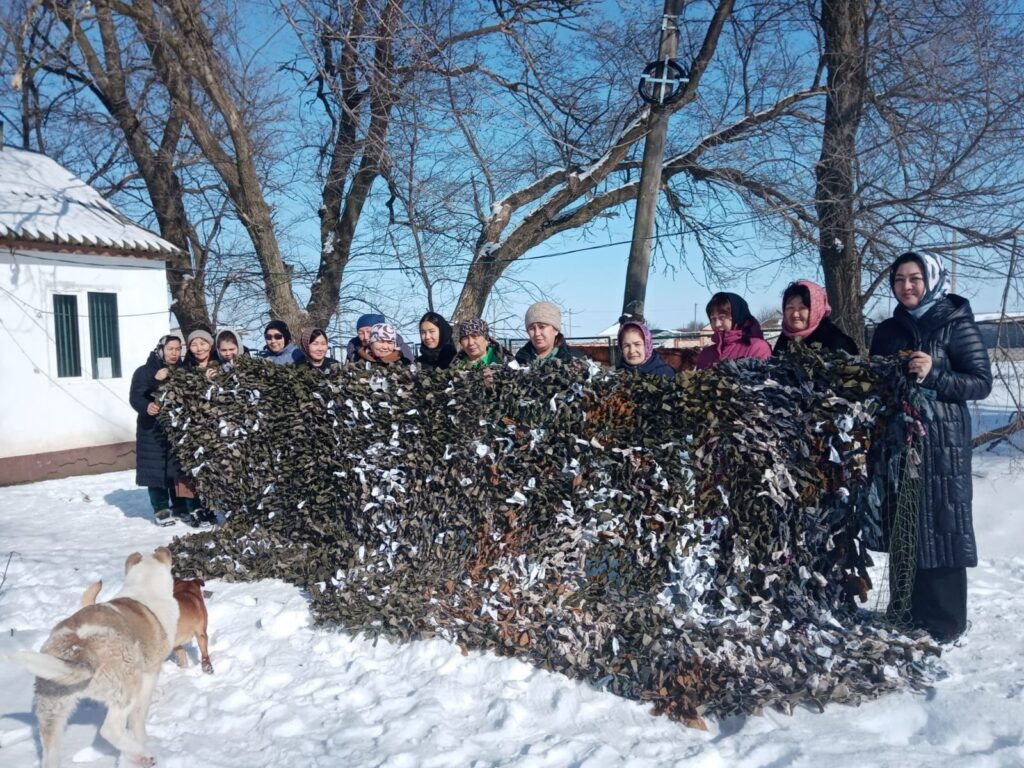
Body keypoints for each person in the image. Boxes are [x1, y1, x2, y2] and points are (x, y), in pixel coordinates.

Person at [869, 251, 992, 642]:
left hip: (942, 441)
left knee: (942, 519)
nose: (906, 286)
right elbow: (874, 380)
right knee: (906, 519)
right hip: (900, 439)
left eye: (915, 278)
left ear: (933, 280)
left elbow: (980, 382)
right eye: (899, 279)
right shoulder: (888, 330)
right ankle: (905, 608)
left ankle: (944, 619)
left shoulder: (956, 323)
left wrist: (934, 373)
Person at [129, 334, 189, 526]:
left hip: (176, 428)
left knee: (176, 468)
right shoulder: (144, 371)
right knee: (154, 469)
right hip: (151, 429)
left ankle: (180, 505)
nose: (174, 353)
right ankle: (161, 508)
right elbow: (136, 396)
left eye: (178, 349)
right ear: (161, 350)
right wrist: (147, 406)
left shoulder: (183, 371)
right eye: (170, 349)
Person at [773, 280, 858, 356]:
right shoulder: (783, 341)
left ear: (816, 310)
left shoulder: (837, 342)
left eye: (802, 308)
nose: (795, 314)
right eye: (790, 308)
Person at [695, 292, 772, 370]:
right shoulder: (706, 354)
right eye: (713, 319)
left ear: (736, 316)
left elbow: (763, 376)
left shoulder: (757, 348)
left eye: (722, 318)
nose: (717, 324)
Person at [514, 301, 580, 366]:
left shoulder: (575, 361)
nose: (537, 333)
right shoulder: (518, 362)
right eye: (532, 328)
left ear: (556, 330)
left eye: (541, 327)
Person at [346, 313, 414, 363]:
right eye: (361, 333)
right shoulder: (354, 352)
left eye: (369, 332)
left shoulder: (404, 352)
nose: (365, 337)